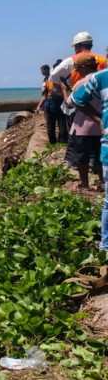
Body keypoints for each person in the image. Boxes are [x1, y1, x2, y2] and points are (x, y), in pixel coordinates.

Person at [71, 65, 108, 250]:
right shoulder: (100, 77)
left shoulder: (92, 80)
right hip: (102, 136)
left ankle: (105, 246)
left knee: (83, 158)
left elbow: (73, 101)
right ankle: (105, 245)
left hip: (88, 130)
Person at [65, 55, 103, 189]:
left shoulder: (81, 83)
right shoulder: (103, 80)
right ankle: (102, 182)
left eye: (78, 69)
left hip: (83, 128)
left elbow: (69, 104)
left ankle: (85, 184)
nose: (78, 73)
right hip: (102, 127)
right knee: (100, 157)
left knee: (82, 159)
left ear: (84, 67)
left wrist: (65, 92)